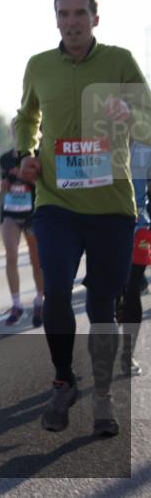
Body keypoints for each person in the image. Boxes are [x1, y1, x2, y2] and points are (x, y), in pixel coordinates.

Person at [16, 0, 151, 436]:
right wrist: (25, 153)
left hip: (111, 204)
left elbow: (148, 121)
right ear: (56, 20)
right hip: (57, 201)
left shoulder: (120, 61)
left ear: (96, 18)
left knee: (101, 307)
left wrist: (126, 113)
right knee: (55, 291)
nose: (71, 21)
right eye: (63, 14)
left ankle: (104, 397)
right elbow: (27, 116)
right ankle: (63, 381)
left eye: (79, 14)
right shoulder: (39, 66)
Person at [0, 122, 44, 326]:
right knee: (11, 256)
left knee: (36, 261)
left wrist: (27, 178)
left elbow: (44, 185)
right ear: (12, 133)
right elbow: (4, 186)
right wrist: (5, 185)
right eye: (15, 131)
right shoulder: (5, 159)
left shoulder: (39, 155)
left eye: (22, 130)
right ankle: (16, 304)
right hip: (10, 212)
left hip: (32, 213)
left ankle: (40, 300)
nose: (18, 134)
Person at [118, 140, 151, 376]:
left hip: (139, 225)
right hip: (104, 224)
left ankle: (127, 355)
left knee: (132, 290)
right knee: (110, 292)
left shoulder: (145, 146)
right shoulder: (102, 140)